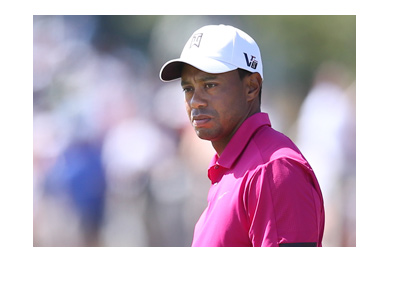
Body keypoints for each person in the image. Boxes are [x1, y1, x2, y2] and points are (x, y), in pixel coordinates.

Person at [159, 24, 325, 247]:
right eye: (188, 88)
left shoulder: (273, 169)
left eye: (210, 85)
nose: (195, 101)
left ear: (251, 87)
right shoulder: (234, 168)